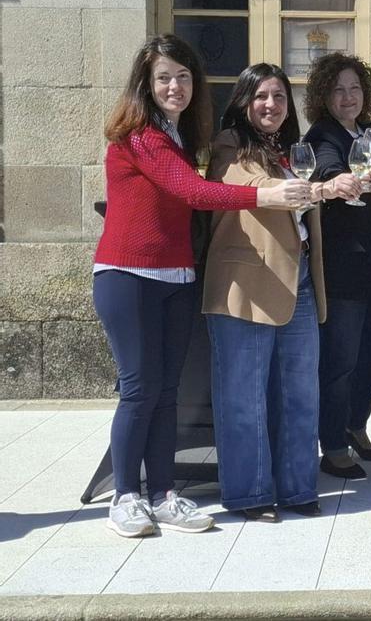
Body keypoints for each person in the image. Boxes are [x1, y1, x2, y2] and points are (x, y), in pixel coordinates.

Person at [95, 36, 313, 537]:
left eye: (184, 77)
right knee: (138, 390)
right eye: (165, 77)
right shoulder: (141, 135)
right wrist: (269, 194)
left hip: (177, 274)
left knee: (167, 392)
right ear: (146, 86)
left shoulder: (174, 136)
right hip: (127, 275)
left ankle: (164, 494)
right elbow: (194, 192)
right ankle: (126, 496)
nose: (176, 86)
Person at [204, 63, 360, 522]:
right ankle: (250, 495)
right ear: (243, 102)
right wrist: (317, 188)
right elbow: (247, 187)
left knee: (300, 392)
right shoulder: (229, 145)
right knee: (244, 396)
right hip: (244, 284)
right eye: (261, 97)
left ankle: (297, 488)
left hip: (300, 282)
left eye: (278, 96)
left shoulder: (291, 149)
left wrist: (322, 189)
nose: (270, 105)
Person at [302, 53, 371, 480]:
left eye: (354, 88)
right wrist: (339, 181)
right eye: (338, 89)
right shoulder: (323, 134)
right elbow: (328, 169)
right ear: (324, 94)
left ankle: (356, 425)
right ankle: (332, 445)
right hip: (342, 268)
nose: (347, 96)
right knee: (339, 361)